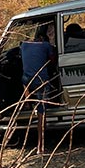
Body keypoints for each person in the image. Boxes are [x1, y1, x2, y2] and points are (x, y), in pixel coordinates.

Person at [20, 24, 56, 154]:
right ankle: (41, 146)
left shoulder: (23, 45)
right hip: (41, 81)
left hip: (27, 80)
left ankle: (27, 102)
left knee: (24, 80)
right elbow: (52, 60)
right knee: (42, 113)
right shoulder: (45, 46)